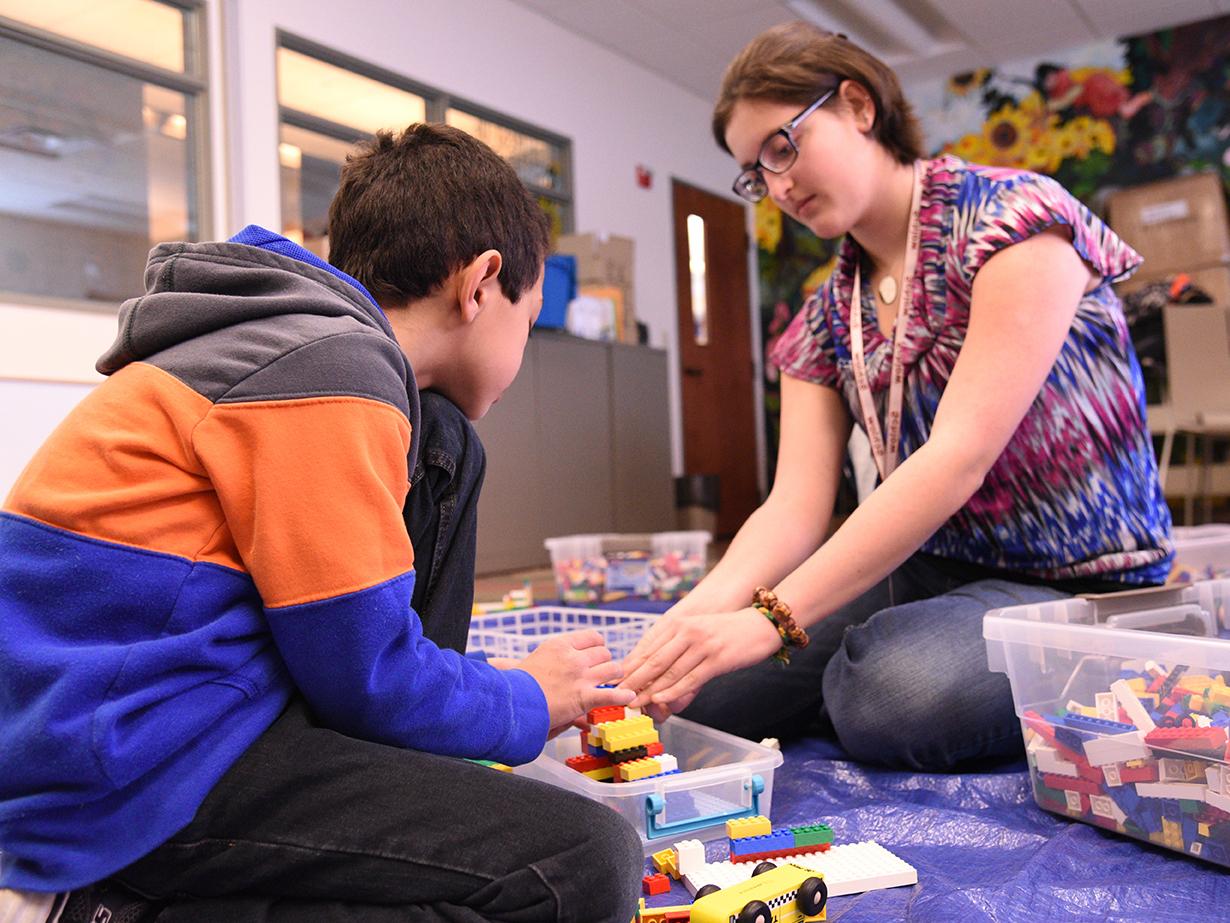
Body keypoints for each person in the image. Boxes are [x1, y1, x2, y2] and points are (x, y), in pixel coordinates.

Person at [0, 124, 643, 923]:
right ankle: (129, 908)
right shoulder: (335, 368)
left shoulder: (298, 345)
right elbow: (366, 674)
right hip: (127, 769)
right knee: (586, 858)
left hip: (123, 726)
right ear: (481, 283)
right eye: (529, 313)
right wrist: (522, 699)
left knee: (444, 440)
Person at [620, 23, 1172, 772]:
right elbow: (793, 506)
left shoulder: (1011, 221)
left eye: (783, 146)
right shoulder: (826, 313)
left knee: (889, 692)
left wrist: (770, 620)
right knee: (700, 691)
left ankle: (1100, 660)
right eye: (756, 173)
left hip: (1079, 577)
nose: (777, 186)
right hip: (933, 565)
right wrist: (691, 621)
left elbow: (956, 457)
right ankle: (861, 660)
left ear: (857, 105)